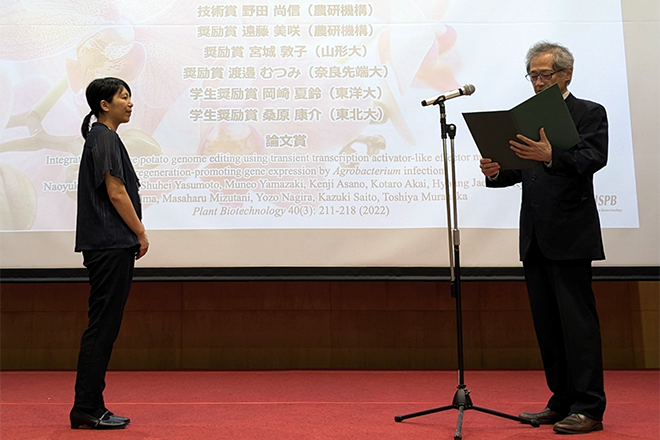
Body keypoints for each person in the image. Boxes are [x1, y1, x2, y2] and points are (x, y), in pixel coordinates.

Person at [479, 41, 607, 434]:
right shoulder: (525, 117)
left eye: (544, 75)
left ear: (565, 75)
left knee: (577, 326)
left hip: (570, 234)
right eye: (532, 75)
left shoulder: (589, 112)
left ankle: (589, 407)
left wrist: (551, 155)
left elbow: (593, 159)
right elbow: (521, 171)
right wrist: (496, 171)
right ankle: (561, 400)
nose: (536, 81)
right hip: (535, 235)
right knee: (548, 326)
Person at [71, 77, 149, 429]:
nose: (130, 103)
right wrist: (140, 232)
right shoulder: (103, 137)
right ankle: (86, 407)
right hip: (109, 243)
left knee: (104, 326)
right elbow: (116, 192)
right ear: (105, 104)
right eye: (124, 97)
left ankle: (91, 405)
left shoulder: (104, 137)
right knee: (102, 327)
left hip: (110, 244)